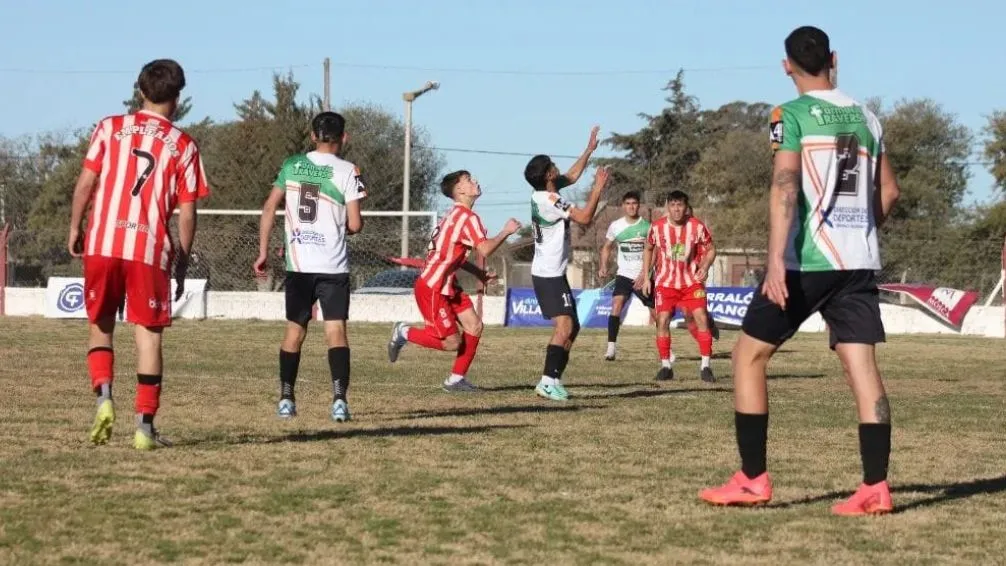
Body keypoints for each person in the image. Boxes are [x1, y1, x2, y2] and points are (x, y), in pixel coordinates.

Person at [699, 26, 901, 516]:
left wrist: (773, 260)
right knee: (861, 367)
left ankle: (752, 479)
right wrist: (859, 230)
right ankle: (875, 486)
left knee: (747, 357)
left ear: (786, 65)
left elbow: (786, 186)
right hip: (857, 262)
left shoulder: (787, 115)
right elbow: (889, 193)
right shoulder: (866, 116)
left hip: (806, 260)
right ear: (833, 58)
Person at [68, 59, 209, 450]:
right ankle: (145, 428)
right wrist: (182, 257)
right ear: (177, 98)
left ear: (140, 91)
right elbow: (187, 211)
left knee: (100, 326)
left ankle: (104, 398)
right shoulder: (183, 145)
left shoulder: (109, 128)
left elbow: (85, 184)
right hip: (148, 250)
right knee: (148, 338)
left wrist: (75, 227)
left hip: (102, 243)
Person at [253, 111, 366, 422]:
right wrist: (343, 224)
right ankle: (339, 401)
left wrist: (263, 251)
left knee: (294, 332)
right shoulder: (348, 171)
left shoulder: (293, 165)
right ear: (345, 137)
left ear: (313, 136)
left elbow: (268, 206)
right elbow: (355, 223)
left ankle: (286, 399)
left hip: (299, 266)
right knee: (336, 333)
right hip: (333, 266)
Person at [387, 171, 521, 391]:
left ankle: (456, 380)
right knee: (451, 342)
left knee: (474, 326)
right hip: (433, 287)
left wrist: (479, 274)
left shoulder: (451, 216)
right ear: (460, 190)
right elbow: (485, 248)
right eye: (469, 180)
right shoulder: (467, 218)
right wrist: (506, 231)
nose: (475, 182)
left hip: (447, 284)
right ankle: (403, 332)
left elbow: (450, 255)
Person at [523, 126, 610, 401]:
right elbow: (584, 218)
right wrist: (597, 188)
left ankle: (554, 379)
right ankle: (547, 382)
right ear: (548, 174)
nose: (557, 168)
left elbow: (572, 175)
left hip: (552, 272)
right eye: (552, 166)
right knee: (564, 327)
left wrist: (588, 150)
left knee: (573, 325)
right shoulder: (550, 199)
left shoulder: (546, 191)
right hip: (548, 274)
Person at [638, 191, 717, 383]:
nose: (676, 209)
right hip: (666, 283)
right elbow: (648, 249)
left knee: (700, 317)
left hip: (691, 283)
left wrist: (705, 267)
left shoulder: (696, 226)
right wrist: (647, 277)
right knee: (662, 320)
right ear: (667, 206)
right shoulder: (657, 227)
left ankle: (705, 366)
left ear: (686, 206)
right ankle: (666, 366)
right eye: (672, 205)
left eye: (680, 205)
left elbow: (711, 249)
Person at [598, 190, 654, 361]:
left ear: (639, 206)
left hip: (643, 277)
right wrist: (603, 266)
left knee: (658, 314)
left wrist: (645, 274)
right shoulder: (616, 226)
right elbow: (607, 247)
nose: (631, 206)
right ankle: (611, 348)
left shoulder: (647, 227)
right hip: (623, 275)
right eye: (628, 203)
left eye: (634, 203)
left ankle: (666, 352)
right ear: (623, 206)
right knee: (616, 305)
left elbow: (654, 251)